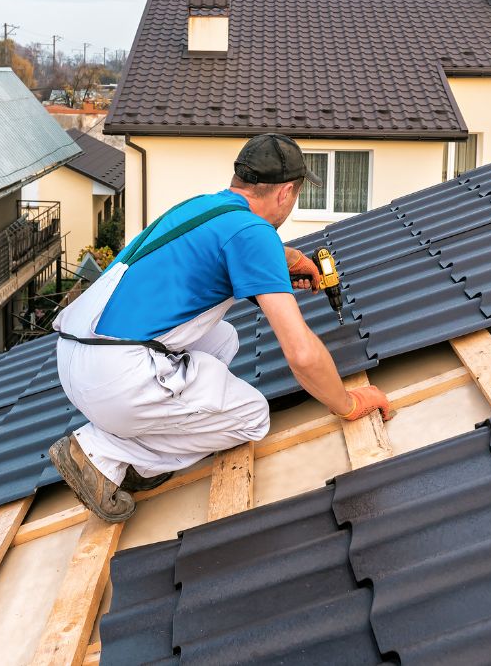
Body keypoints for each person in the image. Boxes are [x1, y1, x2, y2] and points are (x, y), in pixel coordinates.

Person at [47, 133, 394, 522]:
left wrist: (291, 258)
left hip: (77, 354)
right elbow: (300, 353)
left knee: (224, 337)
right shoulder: (254, 234)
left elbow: (236, 247)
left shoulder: (204, 207)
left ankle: (142, 442)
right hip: (115, 378)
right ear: (285, 193)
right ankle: (103, 453)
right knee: (251, 416)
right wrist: (348, 405)